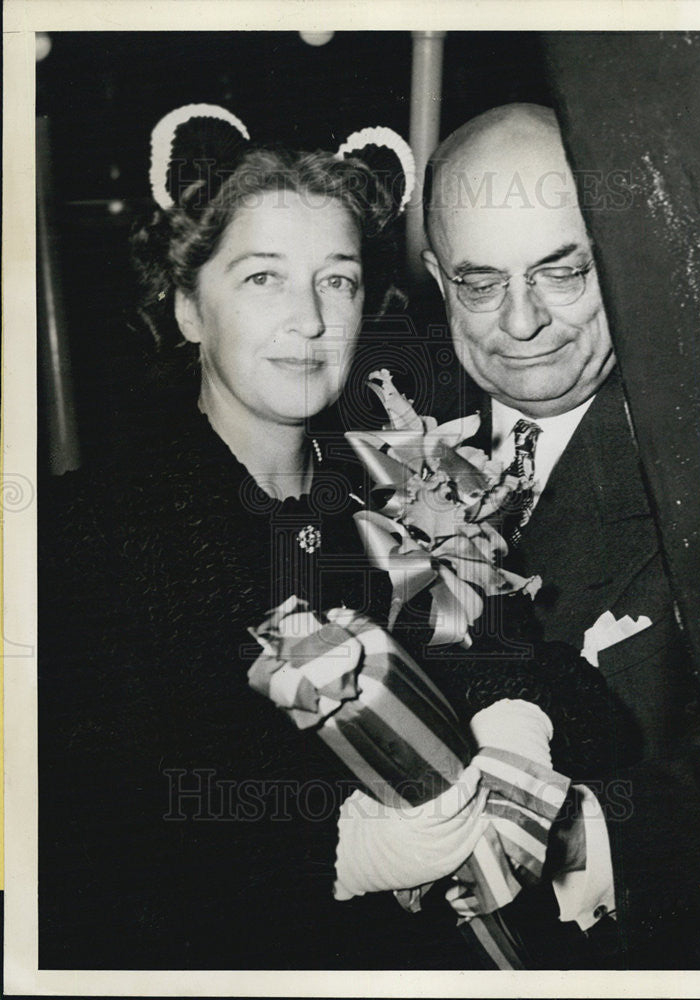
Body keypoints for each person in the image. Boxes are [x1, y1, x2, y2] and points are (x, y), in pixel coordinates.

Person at [37, 109, 483, 970]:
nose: (311, 321)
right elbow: (86, 853)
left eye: (339, 280)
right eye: (263, 279)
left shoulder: (403, 502)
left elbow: (552, 685)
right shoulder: (84, 537)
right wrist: (332, 856)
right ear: (187, 308)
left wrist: (511, 736)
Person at [420, 103, 700, 969]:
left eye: (563, 273)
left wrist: (562, 834)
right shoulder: (381, 438)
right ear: (434, 277)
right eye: (480, 284)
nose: (522, 324)